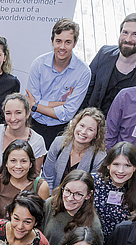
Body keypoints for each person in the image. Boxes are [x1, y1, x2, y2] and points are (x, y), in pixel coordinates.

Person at [26, 18, 92, 149]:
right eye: (58, 41)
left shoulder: (83, 72)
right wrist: (61, 104)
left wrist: (36, 106)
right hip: (33, 125)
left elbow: (67, 114)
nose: (62, 47)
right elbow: (31, 104)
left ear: (75, 44)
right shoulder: (38, 64)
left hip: (61, 131)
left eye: (68, 42)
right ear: (52, 41)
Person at [80, 13, 136, 117]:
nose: (128, 39)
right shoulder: (103, 54)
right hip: (91, 124)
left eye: (135, 34)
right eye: (125, 32)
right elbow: (86, 89)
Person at [0, 94, 47, 178]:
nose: (13, 118)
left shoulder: (37, 141)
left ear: (27, 113)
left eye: (18, 113)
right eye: (8, 113)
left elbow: (35, 175)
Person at [42, 107, 107, 190]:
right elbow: (47, 177)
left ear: (97, 134)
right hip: (52, 197)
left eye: (90, 129)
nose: (83, 132)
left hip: (79, 199)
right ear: (75, 125)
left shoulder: (99, 157)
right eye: (82, 126)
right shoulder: (58, 143)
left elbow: (92, 188)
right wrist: (50, 198)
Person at [93, 141, 136, 238]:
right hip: (91, 242)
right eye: (116, 164)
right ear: (108, 165)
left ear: (134, 168)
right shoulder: (93, 182)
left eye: (127, 165)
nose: (121, 170)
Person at [41, 170, 103, 245]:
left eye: (78, 194)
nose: (70, 198)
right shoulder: (50, 204)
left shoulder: (94, 224)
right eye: (67, 191)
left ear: (88, 195)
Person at [0, 141, 50, 216]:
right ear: (6, 163)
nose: (18, 166)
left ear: (31, 164)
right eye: (13, 161)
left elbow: (42, 219)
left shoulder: (41, 186)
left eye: (23, 161)